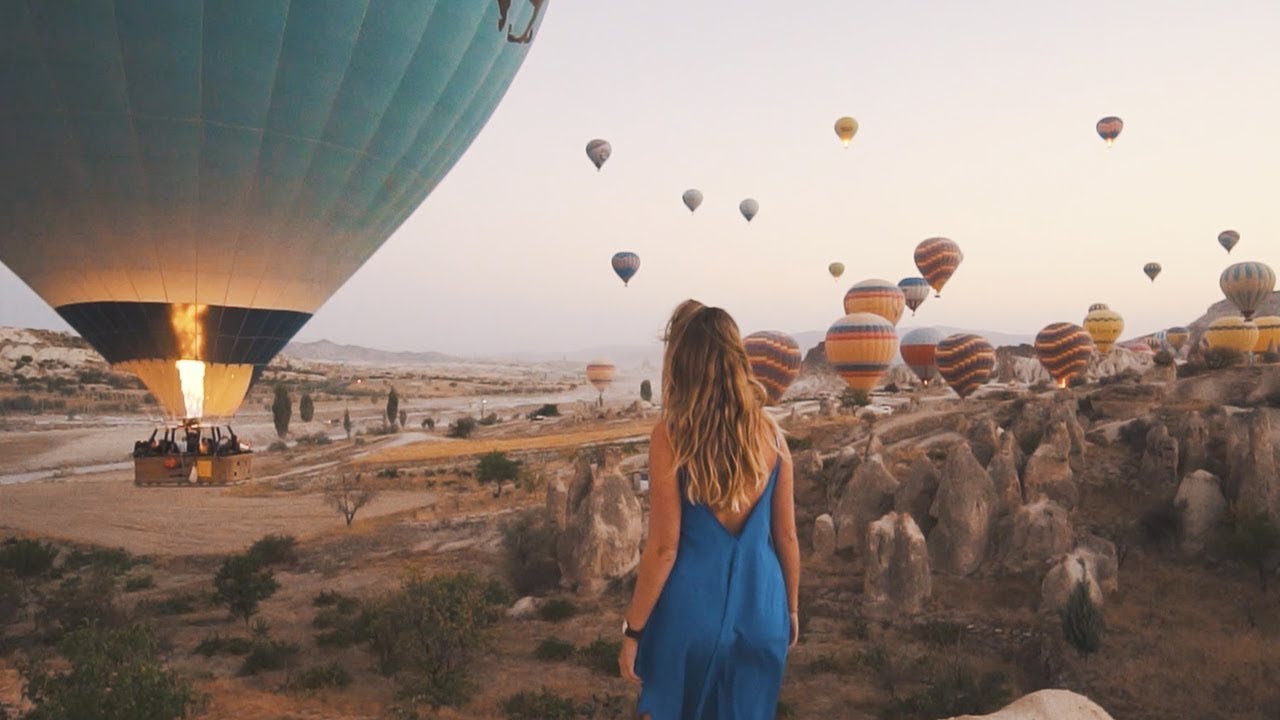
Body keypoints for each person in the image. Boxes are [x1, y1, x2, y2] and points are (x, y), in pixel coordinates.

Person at [618, 300, 800, 720]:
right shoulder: (773, 436)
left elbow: (664, 548)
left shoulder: (671, 437)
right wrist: (790, 609)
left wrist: (633, 630)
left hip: (689, 616)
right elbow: (786, 537)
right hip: (762, 610)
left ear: (681, 361)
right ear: (738, 359)